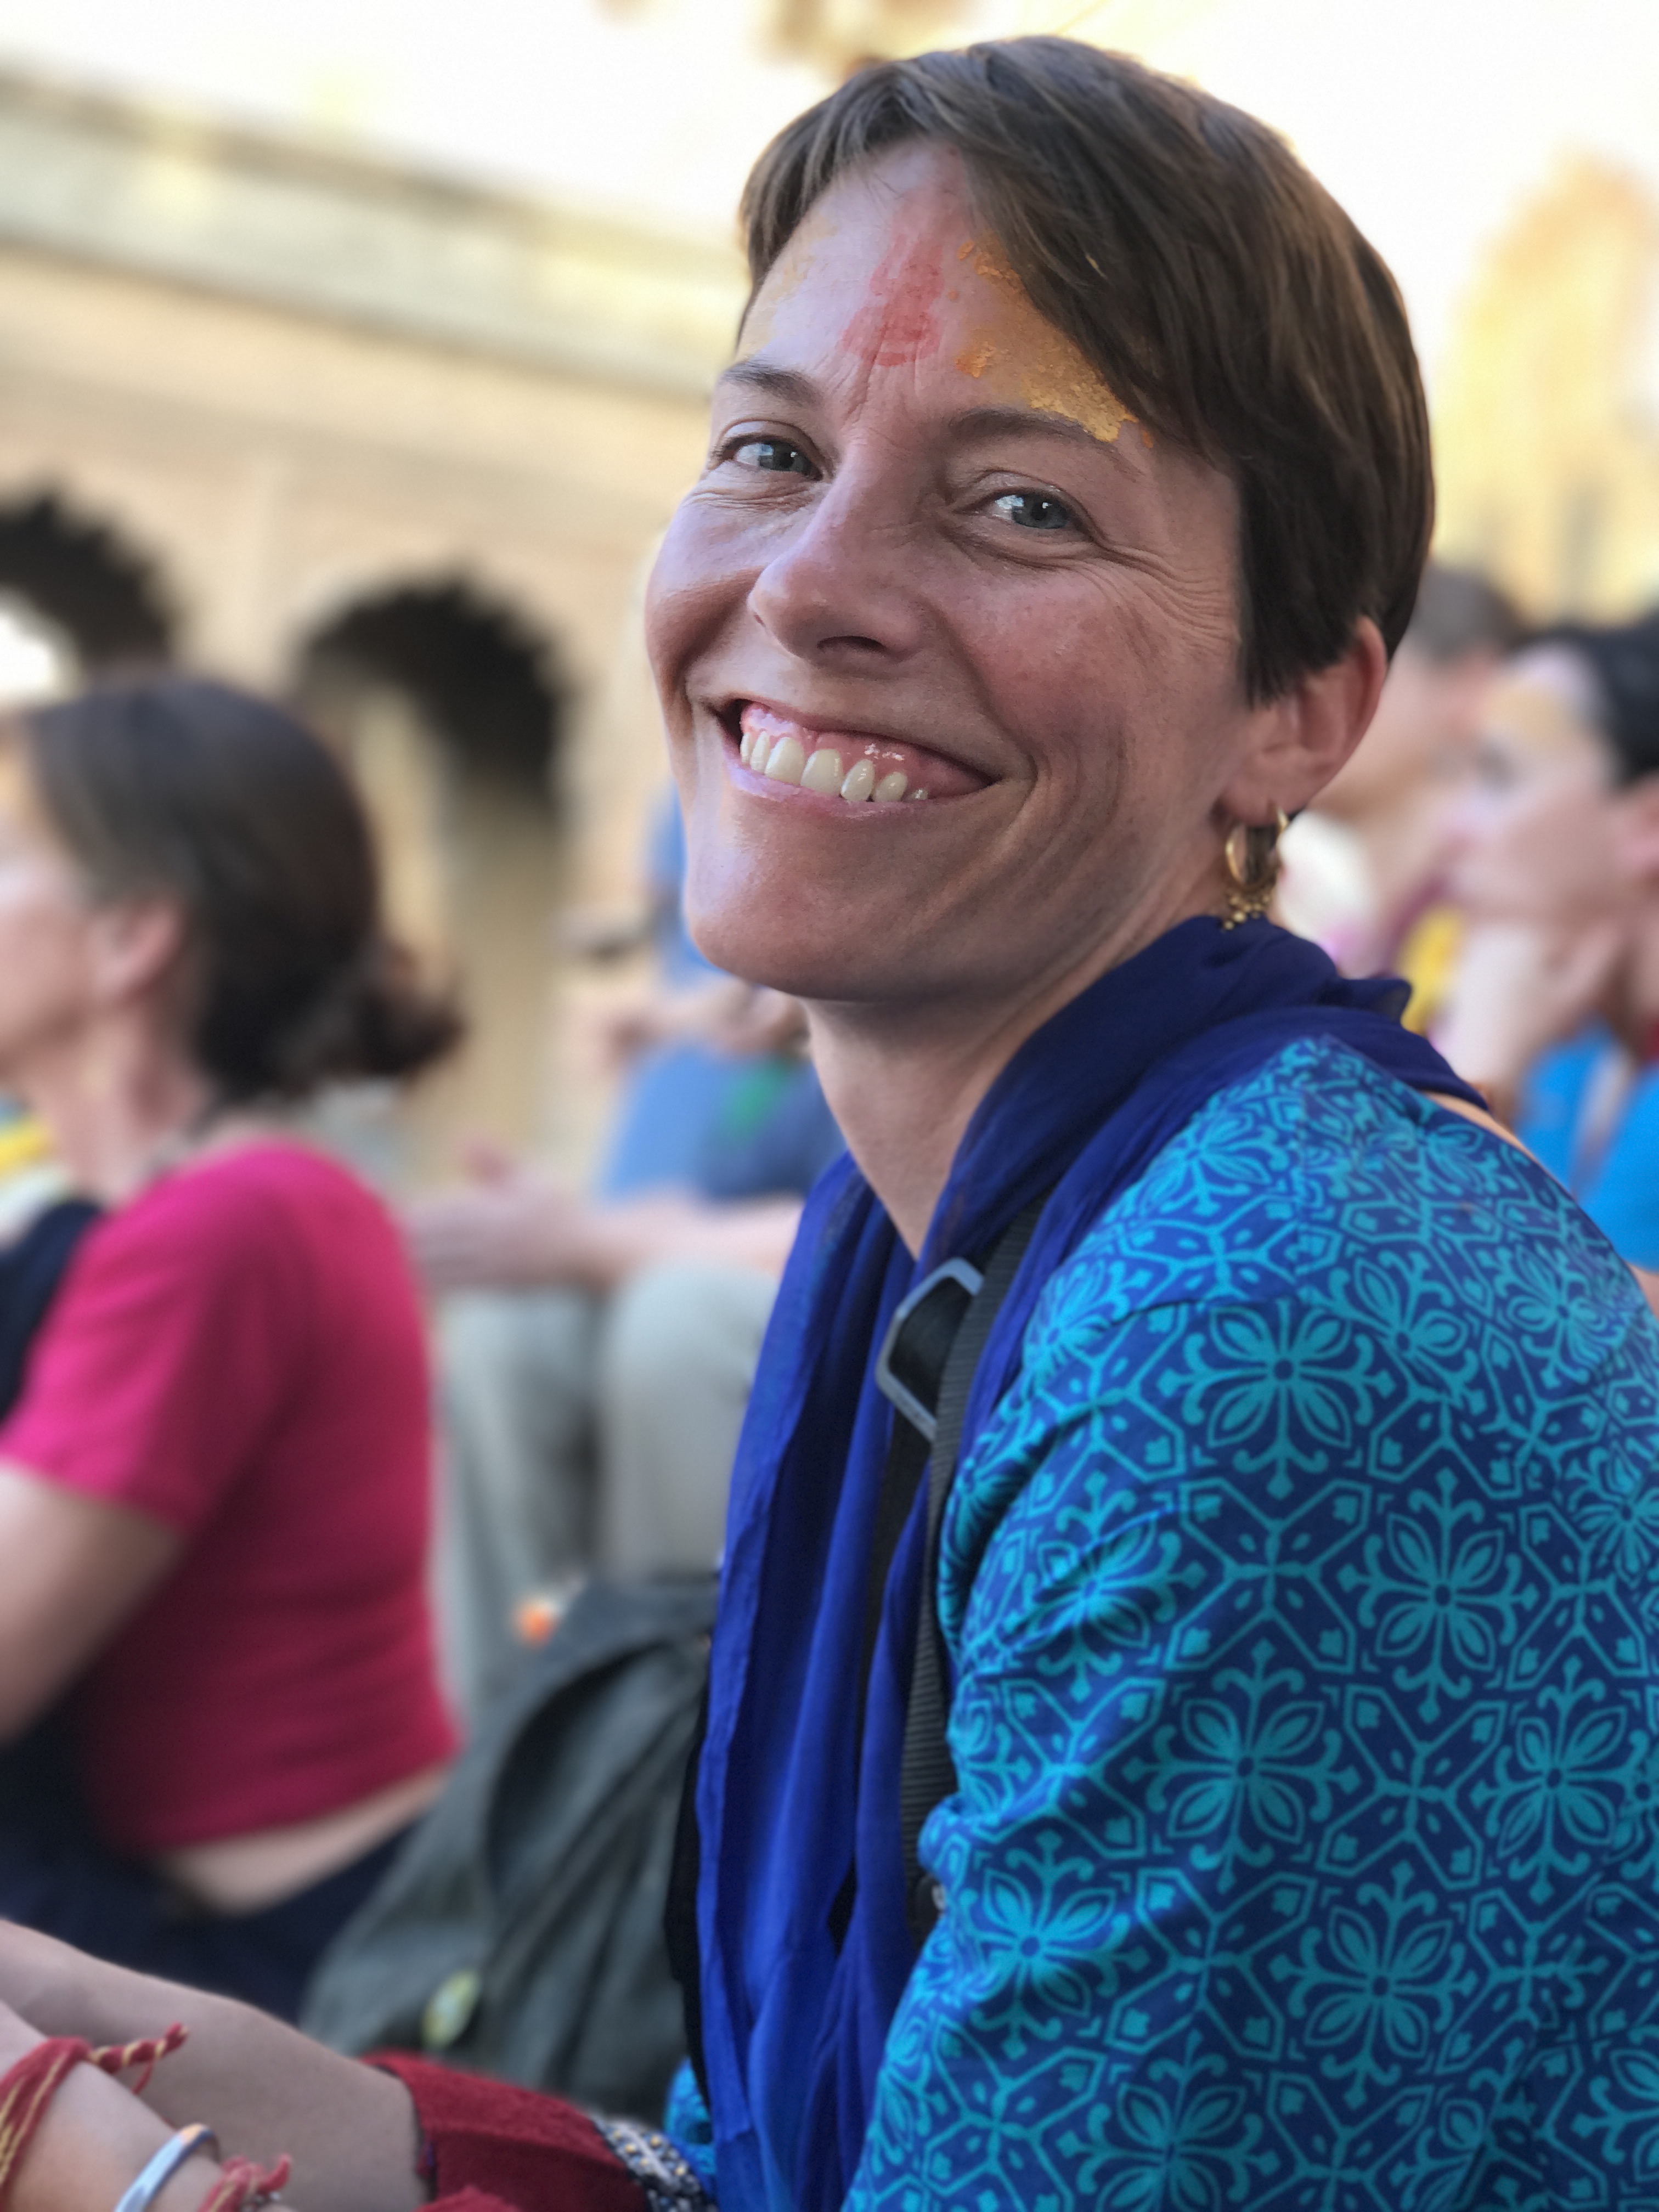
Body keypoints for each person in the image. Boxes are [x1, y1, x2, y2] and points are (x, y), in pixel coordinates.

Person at [5, 37, 1659, 2211]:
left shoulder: (1262, 1326)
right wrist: (226, 2085)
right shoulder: (963, 1230)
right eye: (768, 450)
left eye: (1020, 504)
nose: (807, 583)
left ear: (1297, 710)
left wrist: (97, 2171)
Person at [0, 675, 461, 2024]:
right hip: (201, 1914)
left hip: (283, 1972)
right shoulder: (163, 1208)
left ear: (132, 936)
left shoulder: (224, 1227)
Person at [409, 790, 840, 1720]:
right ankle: (505, 1733)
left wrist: (588, 1243)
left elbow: (869, 1232)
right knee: (512, 1322)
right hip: (685, 1260)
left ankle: (671, 1733)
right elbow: (686, 1203)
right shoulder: (744, 1025)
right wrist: (546, 1232)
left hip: (806, 1322)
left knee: (675, 1320)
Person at [1434, 613, 1659, 1262]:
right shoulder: (1574, 1040)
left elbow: (1450, 1296)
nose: (1454, 827)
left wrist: (1474, 1072)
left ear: (1648, 825)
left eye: (1498, 775)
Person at [1276, 558, 1519, 1008]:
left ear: (1468, 686)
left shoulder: (1501, 938)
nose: (1294, 699)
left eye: (1347, 666)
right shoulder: (1345, 934)